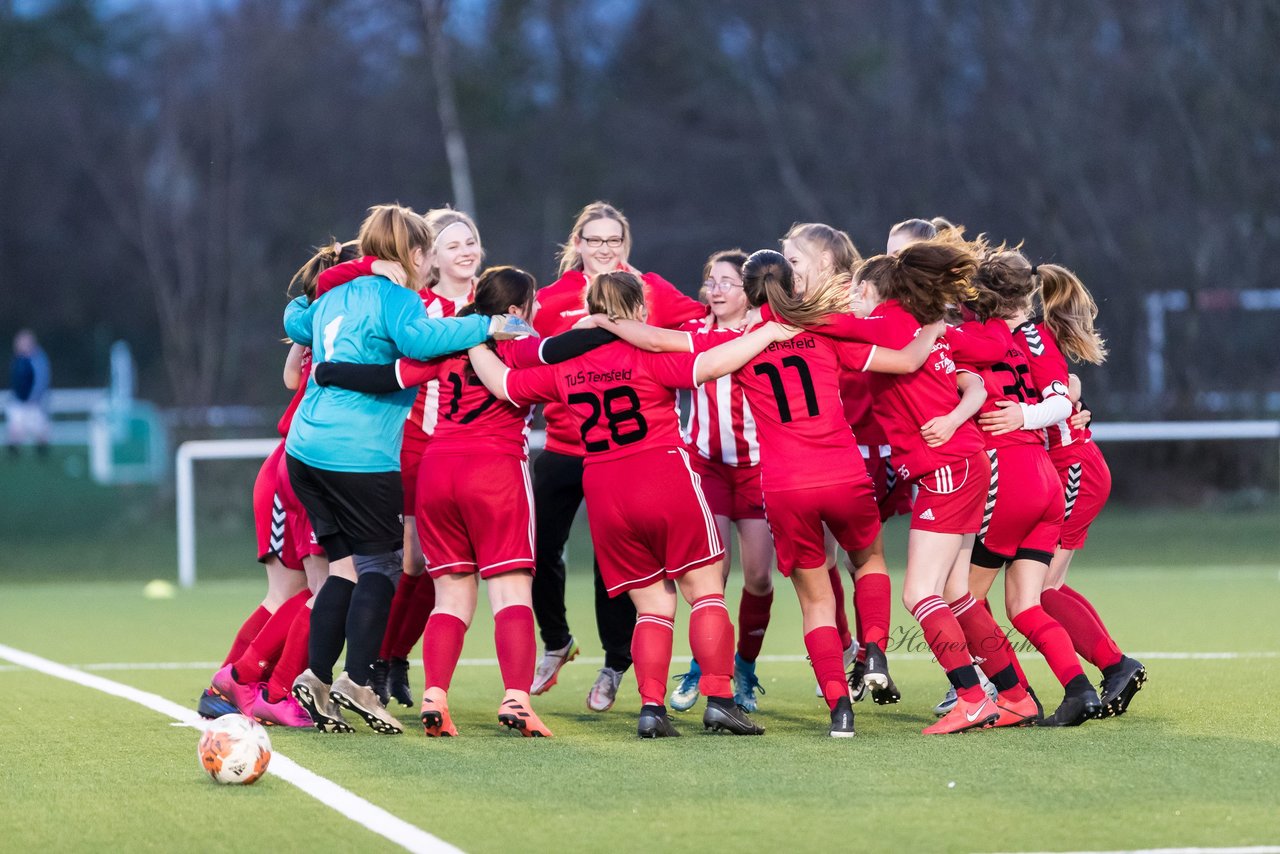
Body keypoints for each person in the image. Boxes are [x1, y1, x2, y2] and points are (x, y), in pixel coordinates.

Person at [469, 270, 787, 738]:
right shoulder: (647, 353)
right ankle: (720, 698)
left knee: (652, 607)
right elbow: (714, 363)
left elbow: (503, 384)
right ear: (639, 311)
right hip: (662, 474)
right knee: (706, 593)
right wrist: (771, 333)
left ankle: (651, 709)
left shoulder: (565, 367)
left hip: (605, 487)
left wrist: (471, 336)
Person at [312, 266, 622, 737]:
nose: (537, 311)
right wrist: (609, 326)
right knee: (511, 591)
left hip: (437, 472)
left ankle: (436, 694)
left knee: (452, 595)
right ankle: (517, 699)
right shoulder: (517, 342)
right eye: (532, 303)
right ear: (516, 310)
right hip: (494, 471)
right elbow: (557, 349)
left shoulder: (447, 344)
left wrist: (329, 370)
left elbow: (388, 376)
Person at [283, 203, 529, 735]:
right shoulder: (397, 297)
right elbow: (420, 340)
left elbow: (292, 319)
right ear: (416, 253)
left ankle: (316, 676)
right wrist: (488, 326)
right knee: (382, 567)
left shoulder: (334, 292)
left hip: (305, 449)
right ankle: (359, 683)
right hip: (358, 454)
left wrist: (350, 271)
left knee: (344, 568)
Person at [528, 202, 706, 713]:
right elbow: (529, 355)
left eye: (614, 240)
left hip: (627, 456)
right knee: (538, 549)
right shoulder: (553, 298)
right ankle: (557, 641)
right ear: (578, 244)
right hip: (564, 448)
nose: (605, 248)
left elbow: (699, 329)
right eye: (595, 240)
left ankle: (613, 665)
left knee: (616, 566)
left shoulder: (650, 289)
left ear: (625, 244)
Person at [313, 208, 482, 708]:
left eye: (471, 241)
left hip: (473, 448)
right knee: (413, 559)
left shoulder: (488, 299)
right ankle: (385, 661)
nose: (465, 252)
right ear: (429, 256)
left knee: (450, 563)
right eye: (452, 245)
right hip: (415, 440)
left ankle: (389, 662)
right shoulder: (412, 302)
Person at [842, 241, 1002, 734]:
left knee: (919, 593)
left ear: (869, 288)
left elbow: (826, 328)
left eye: (852, 290)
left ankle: (972, 697)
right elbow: (994, 350)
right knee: (956, 591)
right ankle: (1013, 692)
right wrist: (985, 313)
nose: (848, 300)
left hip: (943, 467)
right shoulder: (922, 324)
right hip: (965, 461)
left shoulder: (882, 324)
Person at [942, 243, 1103, 728]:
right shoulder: (1031, 340)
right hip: (1044, 478)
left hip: (1008, 474)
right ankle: (1079, 691)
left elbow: (925, 354)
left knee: (959, 597)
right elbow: (1063, 395)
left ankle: (1011, 691)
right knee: (1024, 605)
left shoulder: (967, 339)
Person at [201, 242, 357, 728]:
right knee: (320, 589)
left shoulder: (320, 324)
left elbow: (291, 376)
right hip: (306, 463)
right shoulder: (352, 323)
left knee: (297, 592)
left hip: (293, 459)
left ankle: (236, 687)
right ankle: (248, 683)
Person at [1027, 263, 1146, 716]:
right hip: (1062, 467)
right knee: (1043, 586)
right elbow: (1066, 389)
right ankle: (1116, 665)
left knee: (1040, 589)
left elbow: (1062, 392)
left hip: (1072, 467)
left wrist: (1073, 402)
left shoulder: (1033, 338)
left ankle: (1115, 664)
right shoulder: (1032, 339)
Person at [666, 250, 778, 715]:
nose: (714, 290)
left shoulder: (765, 332)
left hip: (756, 467)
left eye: (726, 282)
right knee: (711, 577)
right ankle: (703, 666)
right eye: (710, 281)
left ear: (748, 290)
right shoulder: (694, 334)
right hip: (706, 465)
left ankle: (745, 668)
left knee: (758, 577)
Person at [6, 330, 51, 457]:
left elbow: (41, 380)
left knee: (39, 428)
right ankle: (14, 454)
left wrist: (34, 397)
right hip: (19, 400)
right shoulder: (18, 359)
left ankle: (42, 454)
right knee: (16, 427)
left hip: (34, 401)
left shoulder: (38, 360)